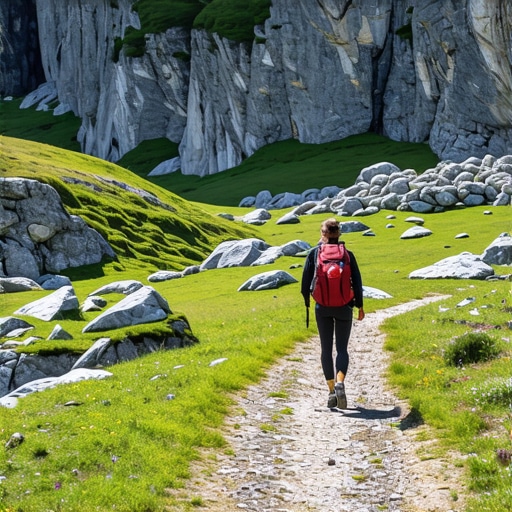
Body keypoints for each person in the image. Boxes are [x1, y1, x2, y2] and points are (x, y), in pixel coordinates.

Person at [301, 218, 365, 409]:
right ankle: (340, 382)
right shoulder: (347, 255)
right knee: (343, 349)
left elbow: (305, 283)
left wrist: (308, 302)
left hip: (322, 308)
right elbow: (358, 282)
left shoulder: (315, 254)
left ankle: (330, 391)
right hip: (345, 306)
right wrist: (360, 306)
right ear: (339, 234)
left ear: (323, 234)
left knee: (326, 349)